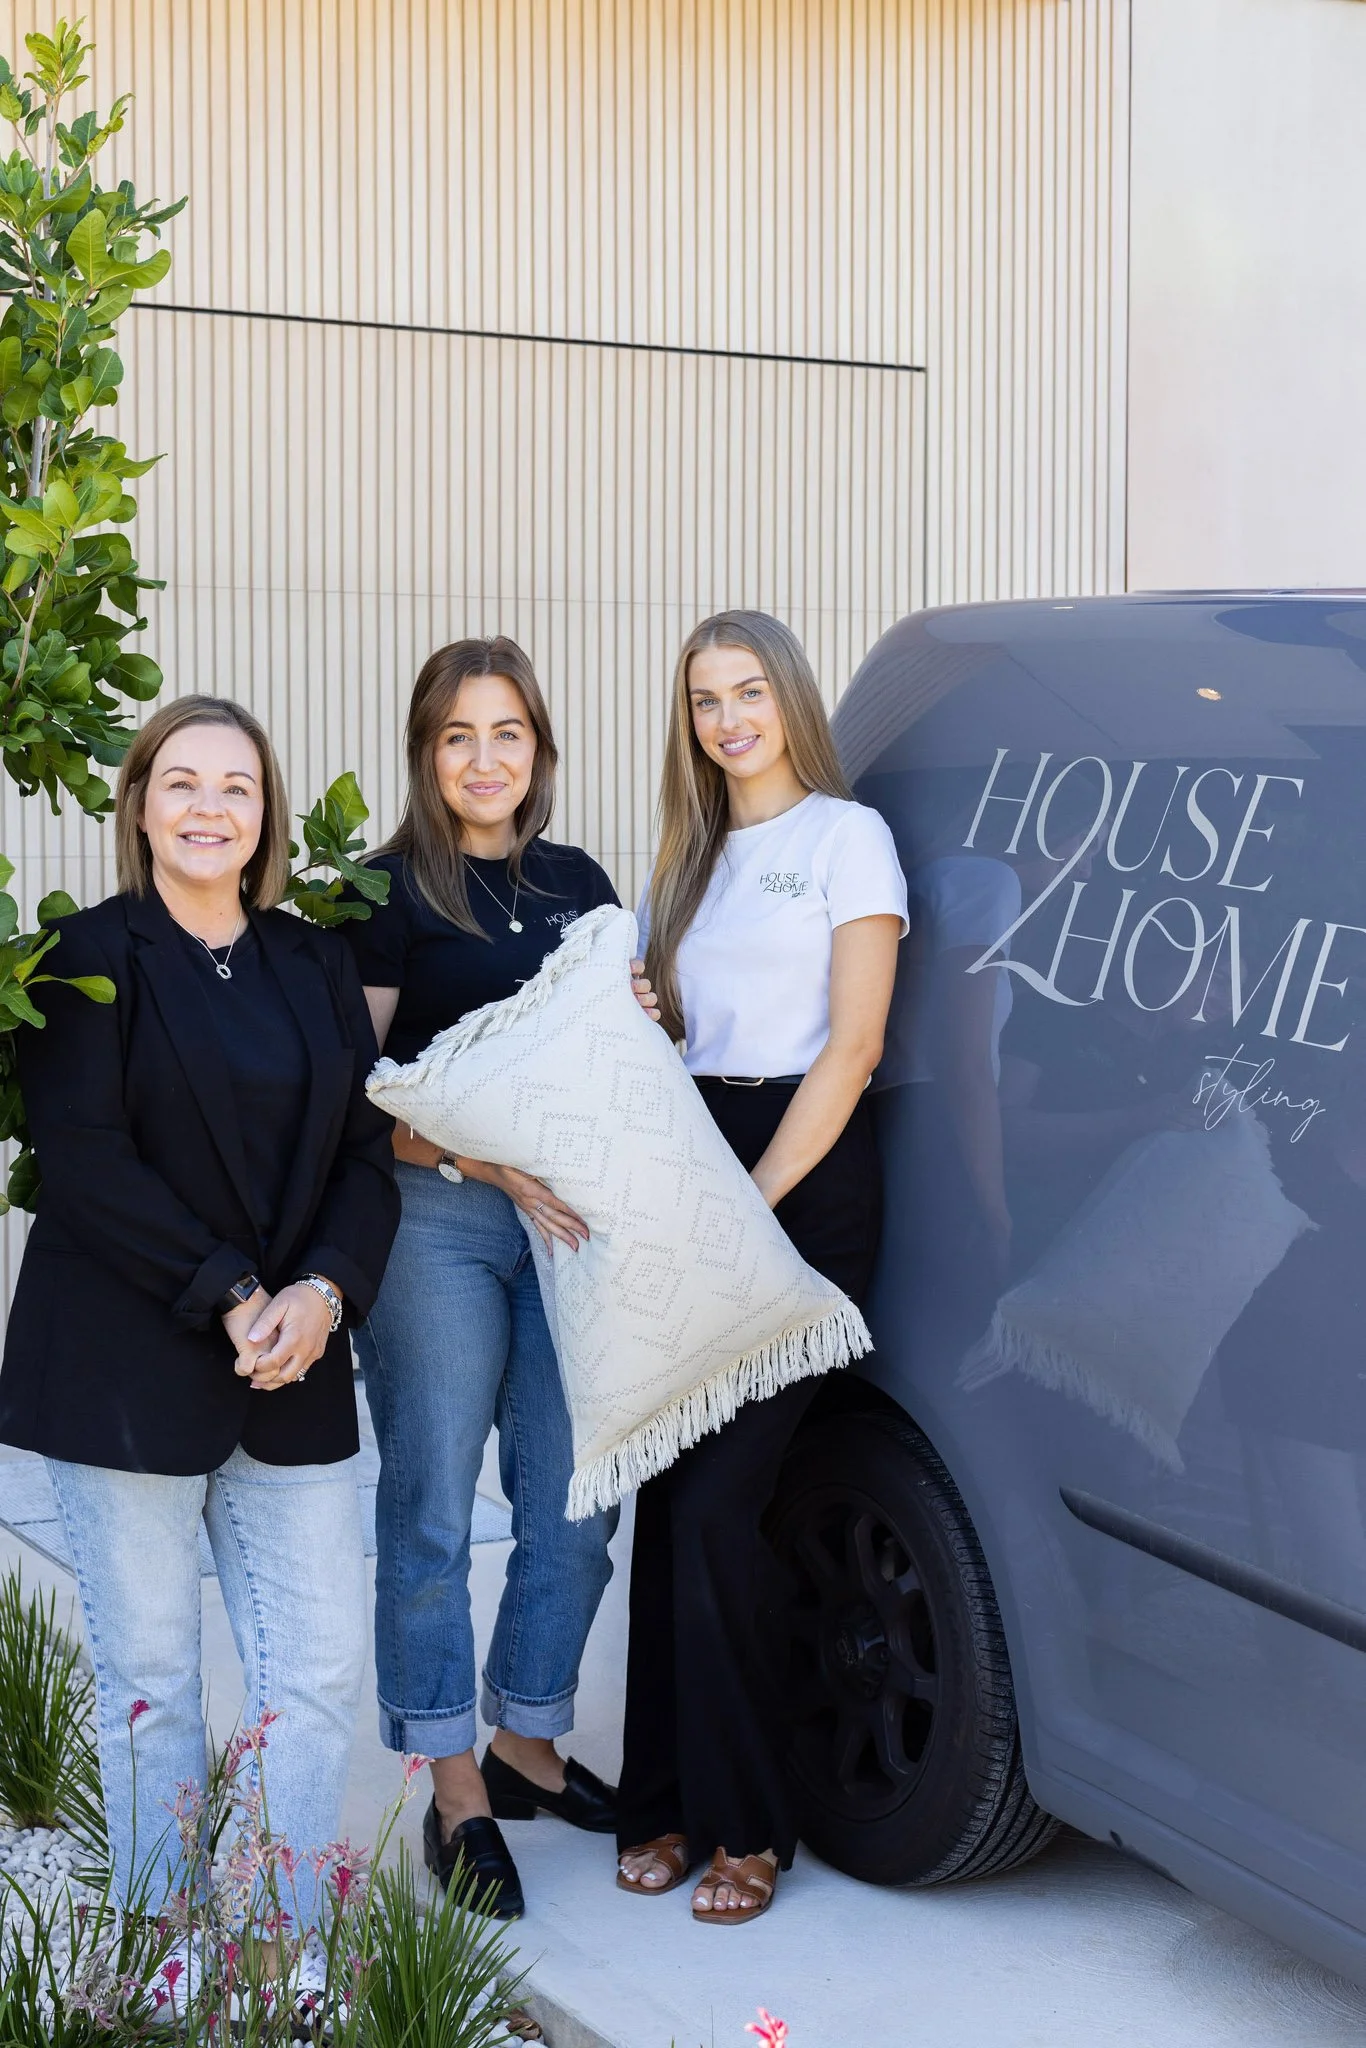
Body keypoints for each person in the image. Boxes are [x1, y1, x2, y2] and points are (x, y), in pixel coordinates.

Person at [0, 696, 400, 1930]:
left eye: (236, 785)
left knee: (320, 1669)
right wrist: (236, 1291)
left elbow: (364, 1154)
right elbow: (84, 1156)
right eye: (182, 782)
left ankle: (289, 1938)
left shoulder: (312, 959)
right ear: (140, 805)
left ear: (267, 811)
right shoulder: (88, 954)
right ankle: (161, 1940)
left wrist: (323, 1291)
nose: (210, 807)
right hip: (126, 1364)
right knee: (154, 1679)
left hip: (297, 1364)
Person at [346, 635, 659, 1921]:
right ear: (428, 751)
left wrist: (648, 1016)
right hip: (438, 1210)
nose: (485, 759)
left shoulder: (578, 882)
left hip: (567, 1220)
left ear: (539, 746)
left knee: (577, 1496)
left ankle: (530, 1737)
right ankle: (457, 1783)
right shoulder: (382, 891)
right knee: (428, 1507)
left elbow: (613, 1062)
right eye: (458, 736)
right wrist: (481, 1161)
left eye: (508, 733)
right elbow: (355, 1100)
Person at [617, 608, 907, 1924]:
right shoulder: (688, 856)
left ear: (789, 698)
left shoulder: (848, 842)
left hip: (800, 1170)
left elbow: (848, 1052)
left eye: (746, 692)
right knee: (669, 1502)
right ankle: (664, 1802)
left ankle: (749, 1829)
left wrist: (749, 1198)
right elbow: (674, 1037)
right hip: (694, 1157)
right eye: (703, 701)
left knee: (728, 1503)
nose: (727, 718)